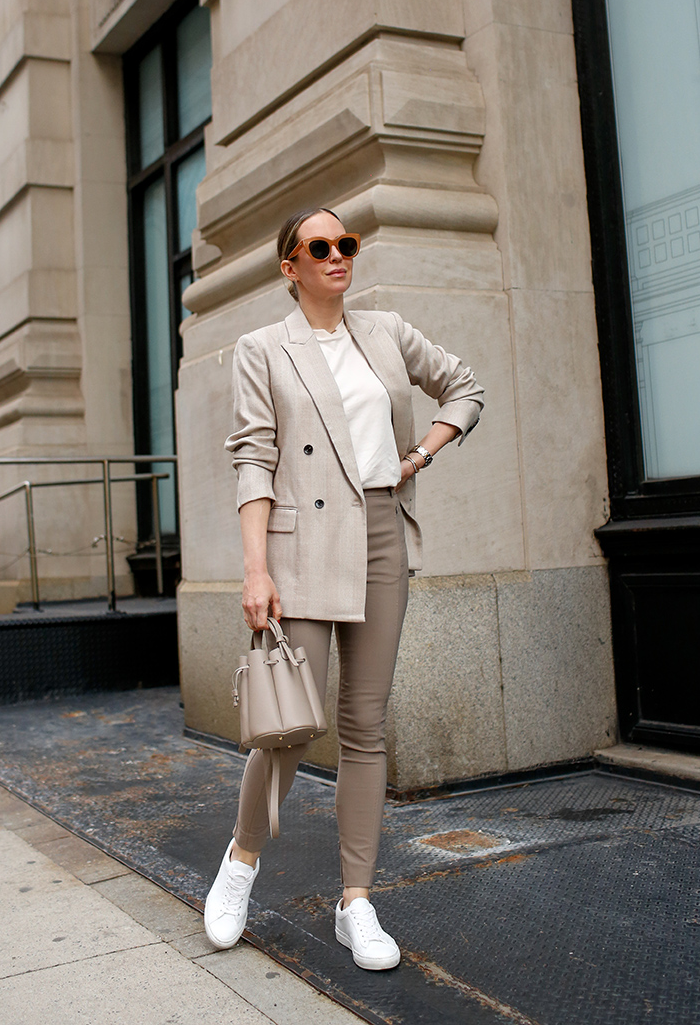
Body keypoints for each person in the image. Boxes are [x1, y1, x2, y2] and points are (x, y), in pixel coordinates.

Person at [204, 207, 484, 970]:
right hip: (303, 549)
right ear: (289, 267)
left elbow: (462, 387)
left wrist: (418, 455)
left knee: (366, 725)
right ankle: (241, 859)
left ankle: (355, 900)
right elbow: (254, 461)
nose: (338, 255)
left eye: (346, 243)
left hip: (383, 531)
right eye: (319, 247)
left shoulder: (386, 330)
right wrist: (256, 569)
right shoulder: (263, 348)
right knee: (291, 726)